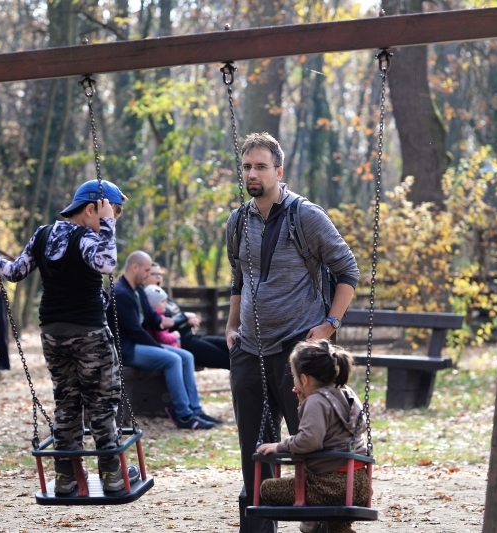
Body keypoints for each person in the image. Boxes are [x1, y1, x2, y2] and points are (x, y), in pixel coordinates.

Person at [226, 132, 359, 532]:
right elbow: (239, 278)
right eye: (247, 167)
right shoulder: (237, 221)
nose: (252, 174)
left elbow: (348, 270)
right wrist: (232, 325)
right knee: (255, 453)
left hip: (298, 350)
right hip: (249, 350)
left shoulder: (306, 216)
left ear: (279, 171)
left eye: (261, 167)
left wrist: (330, 324)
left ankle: (320, 525)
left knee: (313, 448)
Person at [0, 179, 137, 494]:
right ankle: (112, 475)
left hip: (52, 333)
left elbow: (14, 272)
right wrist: (107, 226)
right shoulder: (89, 237)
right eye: (111, 214)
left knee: (67, 401)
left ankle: (65, 476)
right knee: (101, 402)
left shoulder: (43, 234)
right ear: (91, 210)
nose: (111, 222)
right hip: (88, 333)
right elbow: (107, 263)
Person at [257, 340, 371, 533]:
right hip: (359, 485)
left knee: (268, 488)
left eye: (294, 376)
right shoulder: (347, 394)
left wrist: (280, 446)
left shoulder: (316, 402)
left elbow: (309, 441)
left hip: (330, 487)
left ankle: (311, 516)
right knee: (338, 530)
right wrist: (304, 405)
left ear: (304, 379)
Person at [112, 251, 222, 429]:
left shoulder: (138, 290)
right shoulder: (121, 293)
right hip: (128, 349)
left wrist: (182, 319)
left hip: (139, 344)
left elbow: (155, 320)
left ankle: (195, 410)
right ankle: (183, 415)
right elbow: (135, 331)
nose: (149, 275)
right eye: (147, 270)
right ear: (134, 268)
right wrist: (159, 347)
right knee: (172, 359)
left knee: (186, 356)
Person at [146, 262, 230, 370]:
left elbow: (175, 318)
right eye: (154, 274)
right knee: (227, 359)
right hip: (181, 343)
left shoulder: (163, 297)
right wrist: (185, 316)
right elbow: (165, 326)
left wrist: (188, 322)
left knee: (230, 345)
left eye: (160, 274)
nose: (158, 277)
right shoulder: (149, 301)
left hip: (190, 336)